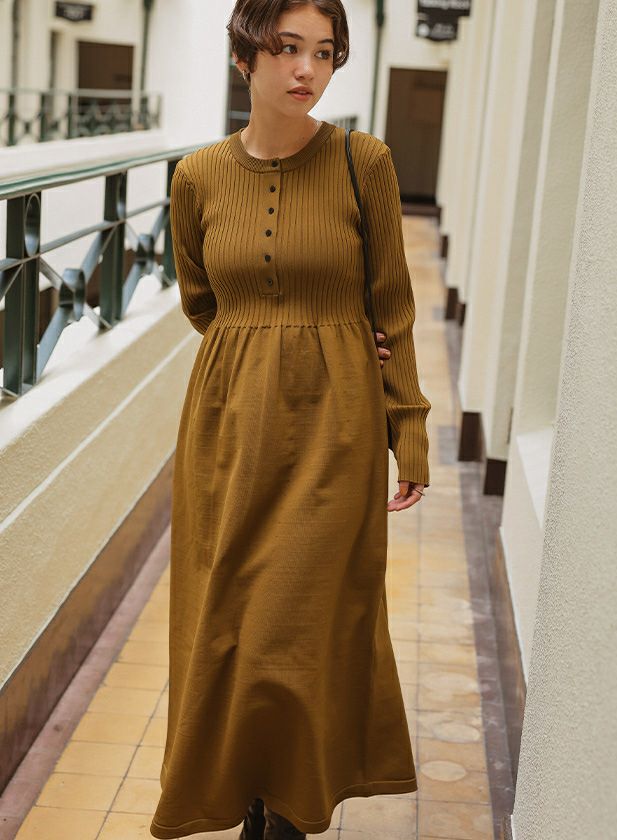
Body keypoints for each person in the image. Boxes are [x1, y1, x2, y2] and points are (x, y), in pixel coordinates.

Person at [149, 1, 431, 838]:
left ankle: (287, 815)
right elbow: (202, 300)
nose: (307, 69)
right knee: (229, 624)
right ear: (245, 57)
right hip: (229, 428)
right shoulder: (196, 176)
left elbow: (392, 305)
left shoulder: (362, 162)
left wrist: (406, 424)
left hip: (336, 426)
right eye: (286, 48)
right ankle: (246, 796)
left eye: (324, 52)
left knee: (300, 625)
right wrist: (270, 338)